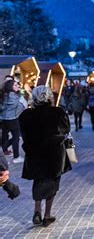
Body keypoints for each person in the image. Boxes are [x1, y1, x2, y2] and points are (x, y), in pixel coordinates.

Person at [19, 86, 72, 227]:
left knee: (38, 180)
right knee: (53, 181)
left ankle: (37, 210)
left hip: (34, 153)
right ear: (49, 96)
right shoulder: (58, 112)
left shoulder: (26, 115)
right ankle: (47, 215)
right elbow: (66, 130)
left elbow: (23, 135)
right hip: (54, 153)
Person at [1, 80, 27, 163]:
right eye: (15, 85)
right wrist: (18, 114)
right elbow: (22, 106)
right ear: (10, 86)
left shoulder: (3, 95)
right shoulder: (16, 96)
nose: (17, 86)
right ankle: (16, 157)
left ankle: (2, 149)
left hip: (4, 119)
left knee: (9, 136)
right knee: (16, 137)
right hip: (13, 119)